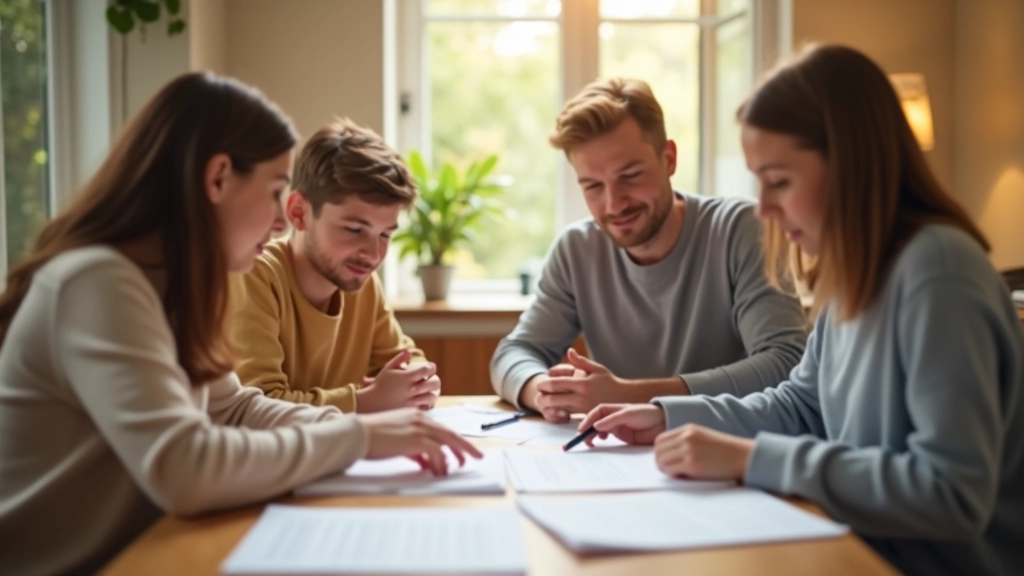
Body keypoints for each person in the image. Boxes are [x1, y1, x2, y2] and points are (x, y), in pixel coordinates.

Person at [0, 73, 479, 576]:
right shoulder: (97, 281)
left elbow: (232, 408)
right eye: (275, 191)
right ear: (217, 178)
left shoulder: (179, 284)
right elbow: (184, 468)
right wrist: (359, 437)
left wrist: (374, 426)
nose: (279, 220)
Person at [578, 45, 1024, 576]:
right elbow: (802, 405)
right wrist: (665, 415)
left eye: (780, 181)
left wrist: (750, 460)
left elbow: (950, 492)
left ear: (851, 163)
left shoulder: (939, 273)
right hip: (855, 548)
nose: (763, 207)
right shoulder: (853, 270)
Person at [490, 77, 808, 422]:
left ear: (668, 159)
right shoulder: (576, 250)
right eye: (593, 186)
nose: (614, 204)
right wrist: (544, 392)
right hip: (619, 453)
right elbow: (515, 352)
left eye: (629, 175)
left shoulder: (741, 229)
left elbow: (784, 362)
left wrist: (629, 395)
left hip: (728, 449)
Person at [228, 118, 439, 413]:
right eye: (354, 229)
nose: (372, 254)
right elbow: (256, 406)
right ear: (299, 213)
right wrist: (365, 400)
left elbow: (405, 358)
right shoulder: (254, 274)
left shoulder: (361, 283)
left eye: (385, 234)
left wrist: (418, 379)